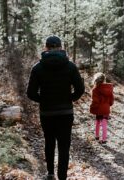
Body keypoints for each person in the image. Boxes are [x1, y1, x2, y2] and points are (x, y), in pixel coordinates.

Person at [27, 36, 85, 180]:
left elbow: (30, 93)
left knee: (49, 141)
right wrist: (70, 98)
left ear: (46, 47)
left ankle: (50, 173)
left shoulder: (37, 67)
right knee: (64, 145)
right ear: (60, 47)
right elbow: (80, 89)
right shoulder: (70, 66)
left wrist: (44, 101)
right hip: (66, 112)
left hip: (47, 113)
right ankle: (62, 177)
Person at [89, 72, 114, 144]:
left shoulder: (95, 90)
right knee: (104, 124)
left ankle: (97, 136)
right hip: (106, 109)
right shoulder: (109, 88)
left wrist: (92, 108)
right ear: (104, 79)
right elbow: (112, 99)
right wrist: (109, 105)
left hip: (98, 109)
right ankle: (104, 139)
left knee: (97, 122)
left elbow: (95, 101)